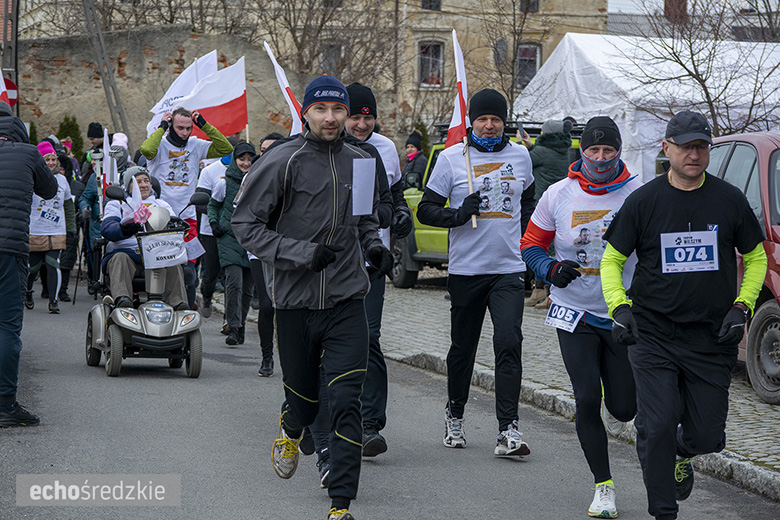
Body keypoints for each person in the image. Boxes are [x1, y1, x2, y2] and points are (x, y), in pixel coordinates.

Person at [232, 75, 391, 520]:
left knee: (346, 401)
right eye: (321, 109)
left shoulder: (361, 160)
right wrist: (302, 254)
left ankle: (340, 504)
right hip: (294, 303)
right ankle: (291, 425)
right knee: (305, 401)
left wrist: (375, 246)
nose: (331, 118)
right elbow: (245, 224)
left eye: (338, 110)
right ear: (304, 113)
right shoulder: (283, 160)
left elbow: (364, 221)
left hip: (345, 300)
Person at [601, 111, 768, 520]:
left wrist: (741, 306)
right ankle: (663, 510)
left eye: (701, 146)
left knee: (708, 435)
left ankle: (682, 452)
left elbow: (756, 256)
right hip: (654, 335)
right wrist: (619, 307)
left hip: (711, 338)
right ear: (667, 149)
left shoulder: (728, 200)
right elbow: (612, 259)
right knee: (656, 426)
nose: (694, 154)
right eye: (686, 146)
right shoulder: (644, 201)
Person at [521, 115, 639, 519]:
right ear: (581, 150)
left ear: (619, 151)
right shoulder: (558, 194)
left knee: (624, 409)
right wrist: (550, 270)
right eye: (593, 150)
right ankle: (603, 487)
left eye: (609, 150)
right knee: (587, 398)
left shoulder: (637, 193)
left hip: (622, 313)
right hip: (575, 311)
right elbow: (531, 245)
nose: (601, 157)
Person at [416, 88, 535, 456]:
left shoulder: (522, 156)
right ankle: (455, 413)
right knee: (463, 350)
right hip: (467, 270)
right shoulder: (453, 158)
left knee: (509, 344)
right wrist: (457, 214)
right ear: (472, 122)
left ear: (504, 122)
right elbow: (425, 210)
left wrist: (530, 253)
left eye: (495, 119)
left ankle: (508, 430)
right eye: (482, 119)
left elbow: (529, 204)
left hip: (508, 268)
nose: (488, 125)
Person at [0, 101, 58, 427]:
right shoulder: (28, 152)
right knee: (7, 327)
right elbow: (49, 190)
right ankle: (5, 404)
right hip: (10, 250)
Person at [140, 107, 233, 309]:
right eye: (180, 128)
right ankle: (160, 309)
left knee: (189, 272)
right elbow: (146, 150)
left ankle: (187, 312)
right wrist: (161, 128)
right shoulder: (160, 144)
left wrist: (204, 125)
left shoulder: (196, 144)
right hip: (159, 216)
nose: (184, 132)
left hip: (187, 217)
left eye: (188, 128)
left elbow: (226, 149)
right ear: (171, 126)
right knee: (163, 268)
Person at [100, 166, 187, 309]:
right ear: (128, 186)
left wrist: (178, 227)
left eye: (146, 181)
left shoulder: (161, 205)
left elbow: (174, 225)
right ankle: (123, 300)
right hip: (128, 254)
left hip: (157, 255)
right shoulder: (118, 204)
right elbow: (108, 229)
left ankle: (178, 305)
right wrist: (125, 227)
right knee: (120, 258)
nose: (144, 185)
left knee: (173, 261)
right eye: (138, 181)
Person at [207, 142, 256, 345]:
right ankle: (233, 327)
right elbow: (213, 204)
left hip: (252, 239)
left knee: (248, 289)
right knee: (234, 283)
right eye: (241, 159)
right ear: (235, 160)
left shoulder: (258, 182)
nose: (245, 163)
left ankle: (241, 324)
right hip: (229, 238)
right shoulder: (223, 183)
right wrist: (214, 223)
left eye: (249, 159)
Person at [521, 119, 574, 308]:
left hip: (540, 205)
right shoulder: (562, 151)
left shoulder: (541, 152)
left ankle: (547, 292)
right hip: (558, 205)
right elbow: (540, 154)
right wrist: (531, 144)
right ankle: (540, 291)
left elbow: (525, 161)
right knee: (549, 247)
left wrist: (523, 146)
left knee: (541, 248)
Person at [248, 133, 284, 376]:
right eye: (263, 150)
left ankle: (292, 357)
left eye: (272, 149)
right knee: (267, 304)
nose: (266, 153)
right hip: (260, 252)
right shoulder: (252, 177)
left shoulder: (292, 173)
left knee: (287, 307)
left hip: (286, 251)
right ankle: (267, 357)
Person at [26, 141, 76, 315]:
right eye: (47, 159)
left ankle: (53, 301)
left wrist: (71, 228)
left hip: (56, 230)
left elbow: (68, 205)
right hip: (36, 229)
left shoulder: (62, 180)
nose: (51, 163)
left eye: (53, 159)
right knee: (33, 267)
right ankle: (28, 291)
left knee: (53, 264)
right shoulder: (32, 177)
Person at [195, 136, 240, 318]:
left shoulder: (248, 171)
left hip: (237, 232)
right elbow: (201, 203)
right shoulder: (210, 171)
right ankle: (206, 296)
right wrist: (221, 217)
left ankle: (231, 317)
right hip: (211, 230)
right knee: (211, 272)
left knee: (233, 275)